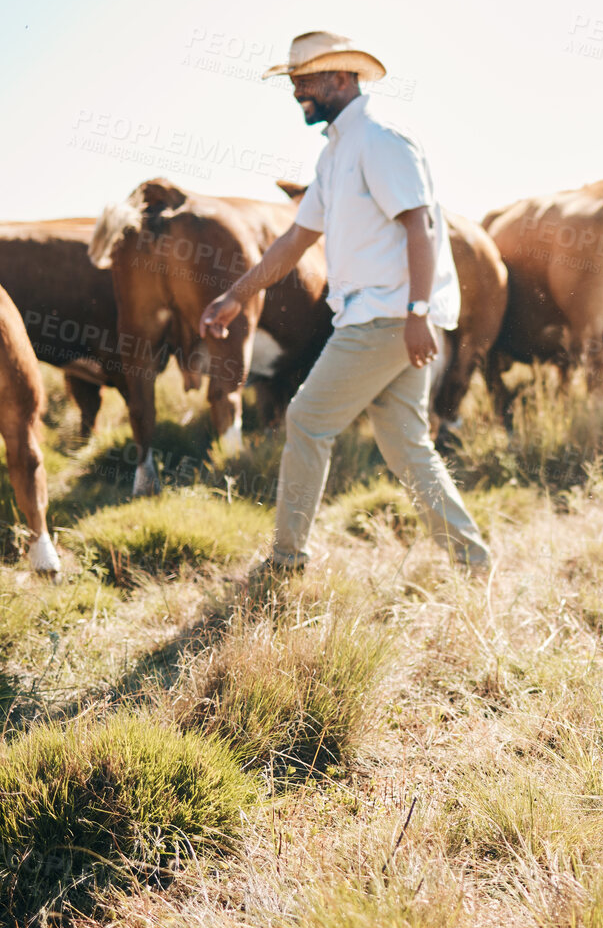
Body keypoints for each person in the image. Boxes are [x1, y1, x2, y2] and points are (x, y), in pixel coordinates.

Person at [200, 30, 491, 574]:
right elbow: (295, 241)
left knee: (307, 420)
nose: (295, 93)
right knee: (408, 447)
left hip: (387, 317)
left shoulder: (380, 139)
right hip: (375, 315)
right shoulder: (336, 154)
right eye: (292, 82)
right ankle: (472, 561)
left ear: (340, 77)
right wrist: (236, 296)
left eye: (304, 80)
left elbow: (421, 226)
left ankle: (286, 561)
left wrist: (418, 314)